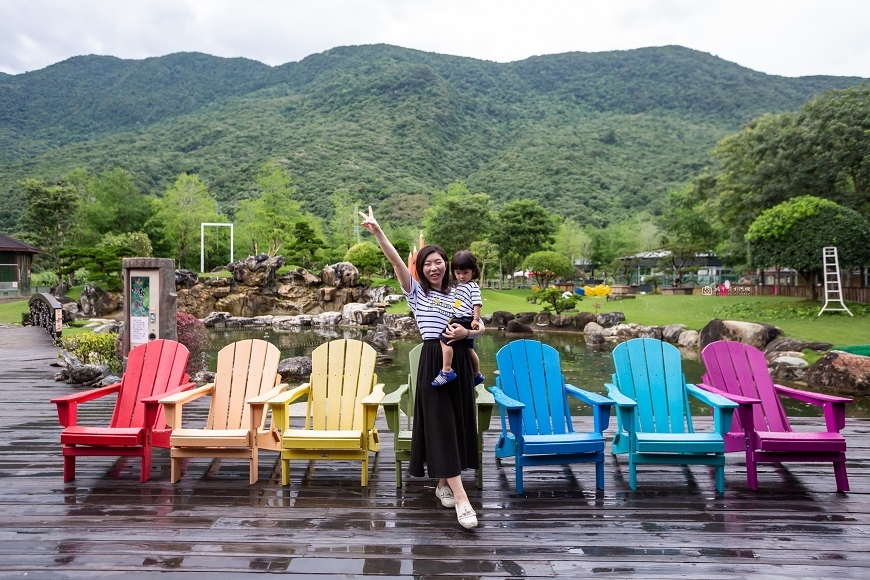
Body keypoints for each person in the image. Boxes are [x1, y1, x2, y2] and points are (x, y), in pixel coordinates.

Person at [359, 206, 483, 530]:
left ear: (446, 264)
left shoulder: (461, 289)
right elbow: (397, 262)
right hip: (434, 361)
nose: (433, 267)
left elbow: (481, 327)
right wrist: (378, 232)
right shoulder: (416, 293)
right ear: (421, 269)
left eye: (437, 261)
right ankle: (462, 499)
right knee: (441, 422)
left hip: (460, 360)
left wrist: (467, 332)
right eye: (426, 263)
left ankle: (443, 483)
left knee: (454, 425)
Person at [432, 250, 485, 388]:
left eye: (465, 273)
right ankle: (477, 374)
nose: (461, 276)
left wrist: (475, 319)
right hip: (459, 317)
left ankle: (447, 370)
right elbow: (459, 304)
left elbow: (477, 304)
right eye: (458, 273)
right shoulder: (461, 286)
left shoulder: (472, 286)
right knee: (469, 348)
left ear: (473, 271)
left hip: (464, 319)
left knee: (445, 340)